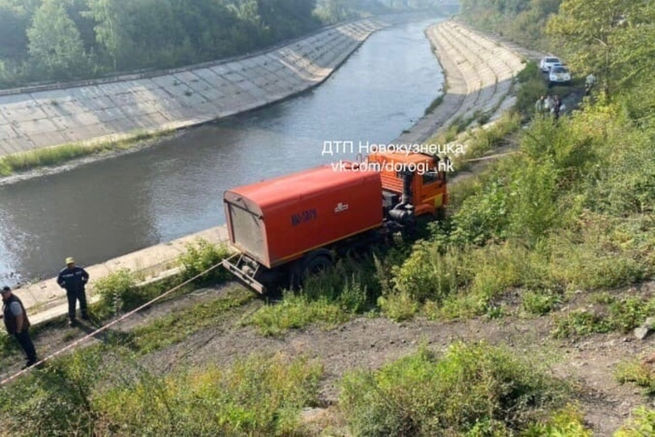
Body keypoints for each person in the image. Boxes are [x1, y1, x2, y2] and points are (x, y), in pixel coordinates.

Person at [1, 286, 38, 368]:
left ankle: (32, 359)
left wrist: (19, 329)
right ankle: (30, 356)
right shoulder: (7, 301)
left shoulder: (13, 302)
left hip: (20, 328)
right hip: (16, 329)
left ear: (9, 292)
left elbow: (19, 317)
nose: (3, 295)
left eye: (4, 293)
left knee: (26, 343)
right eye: (2, 293)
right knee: (24, 343)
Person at [57, 257, 90, 326]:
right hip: (71, 292)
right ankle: (72, 319)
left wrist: (83, 282)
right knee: (72, 305)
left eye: (72, 263)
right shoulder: (63, 272)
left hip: (80, 290)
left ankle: (84, 314)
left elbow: (86, 275)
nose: (71, 265)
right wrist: (65, 286)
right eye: (69, 264)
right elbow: (59, 281)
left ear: (74, 263)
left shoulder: (79, 269)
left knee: (83, 302)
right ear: (67, 264)